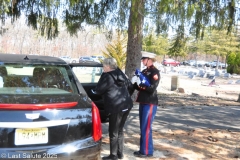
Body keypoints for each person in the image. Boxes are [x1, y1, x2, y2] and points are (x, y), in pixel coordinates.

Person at [94, 58, 133, 160]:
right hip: (126, 105)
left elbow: (98, 90)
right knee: (119, 130)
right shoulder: (120, 73)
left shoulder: (107, 76)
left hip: (115, 107)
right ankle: (120, 153)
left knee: (113, 132)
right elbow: (129, 86)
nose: (103, 68)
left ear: (107, 66)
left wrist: (102, 76)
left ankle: (113, 155)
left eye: (103, 66)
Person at [132, 51, 160, 158]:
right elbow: (139, 86)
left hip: (150, 102)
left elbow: (152, 88)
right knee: (143, 127)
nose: (143, 61)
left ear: (149, 60)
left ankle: (146, 151)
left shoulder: (155, 72)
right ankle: (144, 149)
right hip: (143, 101)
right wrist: (134, 83)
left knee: (146, 127)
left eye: (144, 59)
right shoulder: (144, 71)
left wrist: (141, 85)